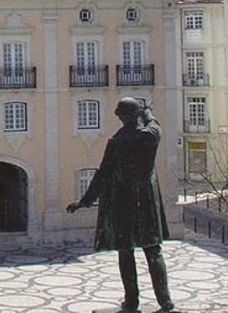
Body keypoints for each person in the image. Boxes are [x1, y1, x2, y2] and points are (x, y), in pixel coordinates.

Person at [67, 98, 175, 313]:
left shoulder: (117, 142)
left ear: (123, 116)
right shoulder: (151, 135)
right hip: (147, 200)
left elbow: (103, 175)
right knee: (154, 251)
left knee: (126, 252)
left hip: (124, 200)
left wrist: (84, 201)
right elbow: (154, 123)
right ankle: (166, 302)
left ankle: (131, 302)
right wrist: (147, 112)